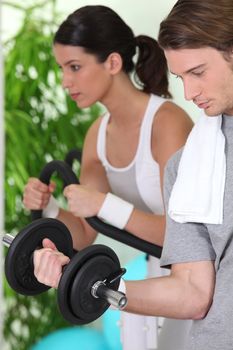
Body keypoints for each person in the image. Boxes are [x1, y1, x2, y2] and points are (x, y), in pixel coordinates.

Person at [23, 5, 193, 350]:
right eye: (61, 69)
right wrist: (50, 208)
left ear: (113, 63)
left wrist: (105, 204)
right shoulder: (97, 136)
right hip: (153, 280)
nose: (65, 81)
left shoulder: (167, 123)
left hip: (196, 283)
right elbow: (85, 234)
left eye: (74, 67)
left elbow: (184, 236)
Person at [122, 1, 233, 349]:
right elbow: (193, 291)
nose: (189, 93)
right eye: (181, 77)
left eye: (198, 72)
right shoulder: (187, 166)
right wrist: (94, 285)